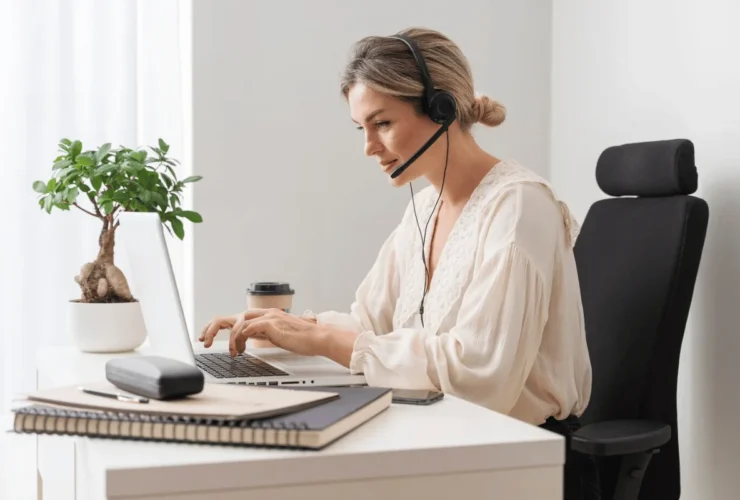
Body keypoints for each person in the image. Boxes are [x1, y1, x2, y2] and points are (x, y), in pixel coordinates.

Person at [200, 27, 598, 499]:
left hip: (519, 461)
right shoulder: (423, 209)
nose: (368, 146)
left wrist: (326, 340)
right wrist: (284, 330)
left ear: (440, 108)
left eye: (382, 123)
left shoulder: (518, 208)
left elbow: (482, 376)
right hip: (450, 442)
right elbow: (371, 323)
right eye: (361, 128)